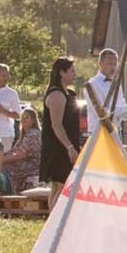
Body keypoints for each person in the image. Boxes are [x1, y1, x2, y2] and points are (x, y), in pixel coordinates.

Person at [40, 57, 81, 204]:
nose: (75, 74)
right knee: (61, 185)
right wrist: (69, 147)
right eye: (71, 71)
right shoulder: (56, 94)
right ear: (62, 73)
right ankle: (55, 216)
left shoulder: (69, 94)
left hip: (67, 143)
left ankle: (53, 217)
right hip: (58, 146)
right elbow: (56, 125)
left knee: (59, 186)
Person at [85, 48, 127, 140]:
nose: (113, 67)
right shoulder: (92, 84)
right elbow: (102, 112)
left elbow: (121, 113)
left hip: (116, 132)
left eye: (115, 64)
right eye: (109, 64)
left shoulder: (116, 84)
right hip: (99, 133)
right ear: (100, 63)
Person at [1, 108, 42, 193]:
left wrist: (2, 160)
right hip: (24, 163)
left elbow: (21, 154)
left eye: (26, 117)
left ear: (33, 120)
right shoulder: (24, 135)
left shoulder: (33, 134)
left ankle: (8, 193)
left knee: (6, 168)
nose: (23, 119)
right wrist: (0, 156)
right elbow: (14, 151)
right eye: (22, 117)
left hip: (32, 166)